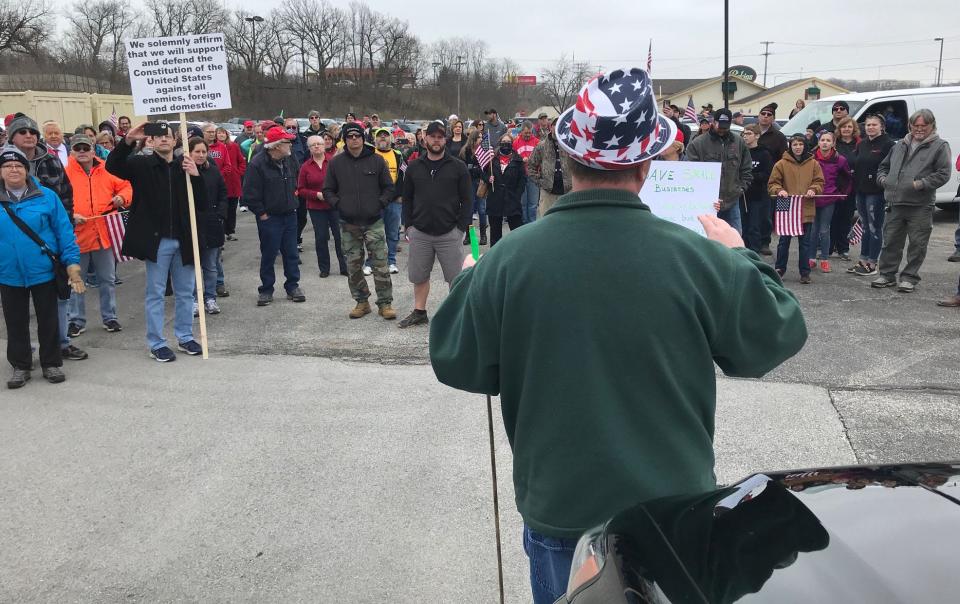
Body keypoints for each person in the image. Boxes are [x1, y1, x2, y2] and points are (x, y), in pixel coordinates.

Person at [428, 66, 807, 604]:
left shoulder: (510, 259)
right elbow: (775, 336)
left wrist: (469, 280)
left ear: (567, 155)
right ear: (647, 164)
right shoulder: (697, 258)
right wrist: (739, 254)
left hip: (562, 511)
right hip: (676, 512)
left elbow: (458, 362)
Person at [105, 121, 207, 362]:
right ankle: (157, 342)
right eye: (158, 136)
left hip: (183, 240)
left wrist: (196, 177)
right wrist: (128, 139)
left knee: (185, 293)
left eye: (168, 136)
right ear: (151, 141)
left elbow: (202, 204)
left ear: (175, 141)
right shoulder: (141, 165)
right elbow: (113, 166)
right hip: (157, 241)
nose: (163, 139)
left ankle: (185, 336)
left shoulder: (186, 166)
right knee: (156, 293)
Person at [0, 146, 84, 388]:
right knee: (15, 321)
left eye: (18, 165)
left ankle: (51, 363)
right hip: (9, 273)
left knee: (48, 319)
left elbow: (63, 231)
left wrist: (72, 264)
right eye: (7, 166)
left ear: (27, 170)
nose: (13, 169)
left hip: (43, 270)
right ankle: (20, 365)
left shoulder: (47, 196)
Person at [398, 120, 471, 329]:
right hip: (420, 232)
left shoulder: (458, 167)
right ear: (425, 139)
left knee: (455, 278)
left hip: (449, 232)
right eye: (433, 137)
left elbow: (467, 200)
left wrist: (461, 228)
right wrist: (408, 225)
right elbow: (407, 198)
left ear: (445, 140)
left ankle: (457, 315)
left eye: (440, 137)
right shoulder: (413, 167)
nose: (436, 140)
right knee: (419, 276)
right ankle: (419, 312)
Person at [871, 109, 952, 293]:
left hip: (920, 206)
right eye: (916, 125)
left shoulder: (940, 146)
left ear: (932, 126)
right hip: (895, 202)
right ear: (910, 126)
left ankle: (909, 278)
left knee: (917, 244)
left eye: (924, 125)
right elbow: (883, 167)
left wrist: (920, 184)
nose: (919, 129)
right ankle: (887, 275)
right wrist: (884, 180)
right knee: (890, 242)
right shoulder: (899, 144)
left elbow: (944, 174)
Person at [323, 121, 396, 320]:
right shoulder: (336, 164)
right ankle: (361, 302)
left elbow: (389, 188)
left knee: (380, 264)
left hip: (373, 222)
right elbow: (327, 189)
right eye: (350, 137)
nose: (354, 139)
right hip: (348, 223)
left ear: (363, 139)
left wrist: (379, 204)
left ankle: (385, 304)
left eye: (357, 136)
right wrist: (338, 205)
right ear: (344, 140)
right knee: (353, 266)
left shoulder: (377, 161)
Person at [64, 133, 131, 336]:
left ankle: (110, 317)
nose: (83, 152)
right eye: (78, 149)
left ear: (93, 150)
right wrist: (70, 215)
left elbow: (127, 185)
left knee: (107, 279)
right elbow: (57, 199)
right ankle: (76, 320)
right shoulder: (65, 173)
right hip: (77, 236)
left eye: (86, 148)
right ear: (72, 152)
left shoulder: (106, 170)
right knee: (77, 280)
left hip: (104, 234)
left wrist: (122, 197)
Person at [242, 126, 305, 306]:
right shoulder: (257, 163)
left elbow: (296, 179)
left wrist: (294, 196)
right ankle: (266, 289)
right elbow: (249, 194)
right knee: (269, 254)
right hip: (269, 218)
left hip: (289, 214)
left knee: (291, 252)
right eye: (287, 142)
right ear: (277, 146)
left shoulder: (289, 159)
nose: (291, 144)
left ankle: (293, 286)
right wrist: (262, 214)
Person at [685, 108, 752, 234]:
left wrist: (740, 189)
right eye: (719, 126)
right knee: (707, 239)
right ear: (713, 122)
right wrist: (702, 195)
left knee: (735, 239)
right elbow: (689, 172)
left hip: (732, 200)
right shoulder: (698, 143)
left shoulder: (739, 142)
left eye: (725, 127)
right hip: (706, 203)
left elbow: (746, 168)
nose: (722, 129)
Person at [769, 134, 825, 284]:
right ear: (790, 146)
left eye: (800, 144)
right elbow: (772, 183)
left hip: (805, 205)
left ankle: (805, 272)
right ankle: (780, 268)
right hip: (785, 204)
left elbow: (819, 181)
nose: (798, 147)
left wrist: (814, 189)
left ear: (805, 145)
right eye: (794, 144)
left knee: (805, 242)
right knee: (783, 241)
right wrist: (779, 190)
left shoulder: (814, 164)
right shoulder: (781, 164)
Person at [848, 114, 895, 276]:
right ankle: (863, 260)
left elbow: (891, 169)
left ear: (882, 126)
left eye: (874, 125)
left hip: (877, 192)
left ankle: (872, 263)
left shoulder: (888, 145)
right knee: (865, 227)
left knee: (875, 228)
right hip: (861, 190)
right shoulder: (862, 144)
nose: (870, 127)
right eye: (868, 125)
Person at [297, 134, 347, 278]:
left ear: (325, 145)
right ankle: (324, 268)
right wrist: (316, 195)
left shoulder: (334, 163)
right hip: (316, 208)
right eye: (313, 145)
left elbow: (343, 183)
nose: (317, 146)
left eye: (319, 143)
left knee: (340, 237)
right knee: (321, 237)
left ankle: (344, 267)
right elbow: (301, 189)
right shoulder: (305, 167)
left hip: (335, 206)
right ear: (309, 149)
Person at [187, 137, 227, 316]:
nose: (201, 155)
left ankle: (210, 298)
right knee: (193, 266)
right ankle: (195, 299)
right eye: (197, 152)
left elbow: (222, 194)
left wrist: (220, 214)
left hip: (212, 224)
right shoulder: (183, 172)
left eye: (204, 151)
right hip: (190, 225)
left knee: (211, 265)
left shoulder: (214, 172)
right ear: (189, 153)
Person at [811, 131, 852, 273]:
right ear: (818, 142)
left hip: (829, 198)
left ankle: (824, 258)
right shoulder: (811, 157)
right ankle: (810, 258)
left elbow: (847, 178)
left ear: (833, 143)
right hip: (813, 197)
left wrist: (842, 194)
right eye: (822, 140)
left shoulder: (840, 159)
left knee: (824, 229)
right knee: (813, 230)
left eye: (828, 140)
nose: (825, 143)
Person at [367, 128, 405, 275]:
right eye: (380, 136)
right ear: (375, 140)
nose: (383, 138)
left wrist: (401, 195)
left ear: (391, 139)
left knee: (393, 233)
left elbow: (404, 176)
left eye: (385, 136)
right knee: (372, 234)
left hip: (394, 201)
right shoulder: (370, 155)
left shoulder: (398, 155)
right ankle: (370, 263)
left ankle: (391, 262)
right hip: (374, 201)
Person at [485, 133, 525, 247]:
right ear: (499, 144)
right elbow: (482, 173)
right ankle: (495, 257)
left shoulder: (518, 160)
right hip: (495, 198)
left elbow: (522, 180)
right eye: (503, 142)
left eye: (508, 142)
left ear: (512, 144)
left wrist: (517, 196)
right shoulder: (492, 159)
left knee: (517, 231)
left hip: (512, 199)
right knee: (495, 233)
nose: (506, 145)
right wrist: (488, 178)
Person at [208, 127, 246, 247]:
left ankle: (230, 230)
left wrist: (238, 172)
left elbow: (242, 161)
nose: (221, 135)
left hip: (233, 182)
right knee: (221, 208)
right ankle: (222, 231)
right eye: (218, 133)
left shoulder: (233, 146)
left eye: (223, 133)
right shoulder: (209, 148)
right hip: (220, 182)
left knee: (232, 208)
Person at [527, 116, 572, 218]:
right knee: (546, 223)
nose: (557, 128)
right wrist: (540, 182)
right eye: (555, 126)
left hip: (567, 192)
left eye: (560, 126)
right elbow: (531, 166)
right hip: (548, 193)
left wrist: (572, 181)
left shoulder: (569, 145)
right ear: (551, 127)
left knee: (567, 223)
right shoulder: (541, 146)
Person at [830, 117, 860, 261]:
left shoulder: (859, 144)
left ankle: (843, 248)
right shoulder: (834, 144)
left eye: (849, 127)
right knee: (832, 218)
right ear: (839, 129)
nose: (846, 129)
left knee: (846, 218)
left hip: (851, 187)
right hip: (834, 186)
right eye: (844, 127)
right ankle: (829, 247)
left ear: (853, 129)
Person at [741, 124, 772, 253]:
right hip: (742, 193)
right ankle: (744, 247)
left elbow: (767, 174)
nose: (745, 136)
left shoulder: (764, 153)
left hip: (758, 194)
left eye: (749, 134)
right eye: (744, 134)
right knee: (743, 224)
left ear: (757, 136)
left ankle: (755, 249)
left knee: (755, 224)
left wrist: (750, 176)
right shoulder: (741, 152)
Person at [460, 129, 489, 246]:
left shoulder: (484, 151)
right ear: (473, 139)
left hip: (481, 182)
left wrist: (476, 169)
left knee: (482, 210)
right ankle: (469, 236)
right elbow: (463, 168)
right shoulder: (465, 151)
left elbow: (485, 168)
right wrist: (474, 169)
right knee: (469, 210)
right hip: (469, 182)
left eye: (482, 137)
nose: (481, 139)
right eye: (479, 137)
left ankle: (483, 235)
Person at [513, 122, 540, 224]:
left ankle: (532, 224)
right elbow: (512, 158)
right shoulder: (516, 142)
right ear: (521, 132)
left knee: (533, 204)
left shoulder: (537, 142)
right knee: (523, 204)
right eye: (526, 133)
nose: (528, 135)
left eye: (529, 133)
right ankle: (524, 225)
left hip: (533, 176)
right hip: (521, 177)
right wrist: (521, 159)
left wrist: (533, 160)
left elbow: (542, 158)